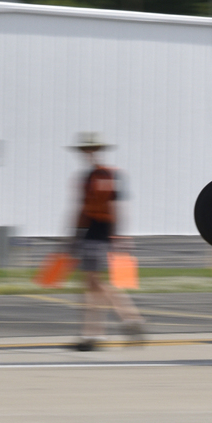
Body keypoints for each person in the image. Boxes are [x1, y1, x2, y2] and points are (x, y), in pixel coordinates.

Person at [67, 134, 144, 350]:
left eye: (90, 150)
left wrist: (119, 236)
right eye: (85, 151)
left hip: (100, 233)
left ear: (97, 151)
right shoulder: (87, 178)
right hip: (90, 232)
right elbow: (80, 210)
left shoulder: (106, 176)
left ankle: (120, 323)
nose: (87, 154)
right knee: (92, 285)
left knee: (95, 284)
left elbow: (116, 207)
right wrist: (73, 237)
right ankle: (98, 332)